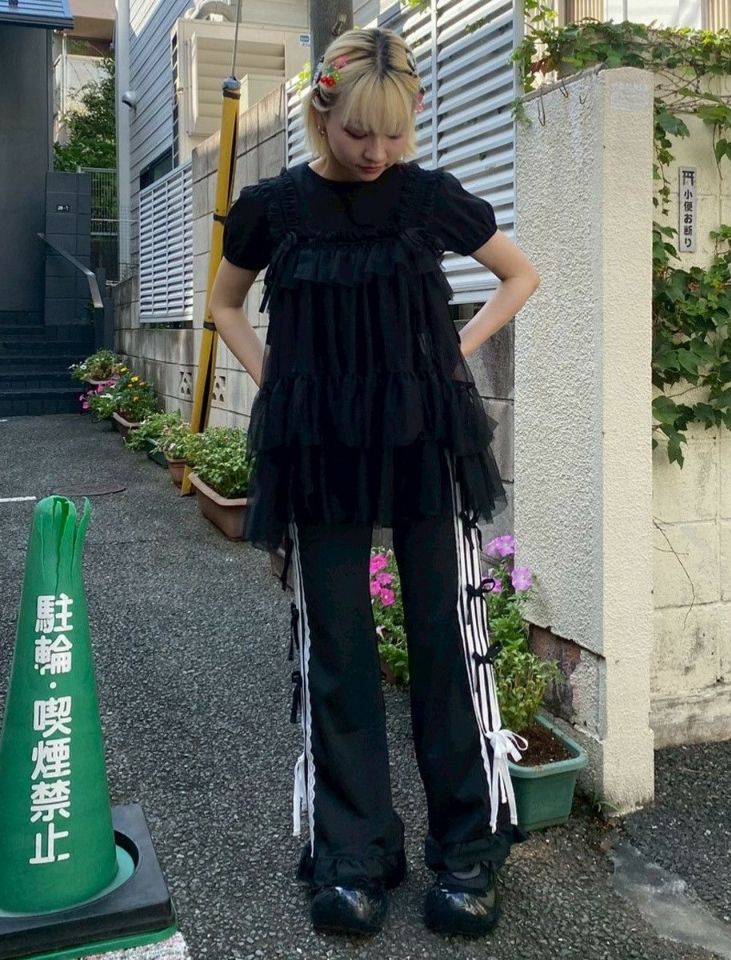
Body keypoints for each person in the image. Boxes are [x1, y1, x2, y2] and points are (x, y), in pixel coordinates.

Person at [209, 26, 540, 939]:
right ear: (323, 112)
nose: (378, 151)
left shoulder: (427, 197)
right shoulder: (274, 208)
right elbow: (223, 304)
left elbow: (518, 276)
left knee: (447, 638)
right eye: (360, 132)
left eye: (395, 132)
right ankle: (354, 855)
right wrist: (278, 382)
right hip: (318, 449)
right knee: (338, 647)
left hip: (426, 442)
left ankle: (468, 850)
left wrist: (452, 355)